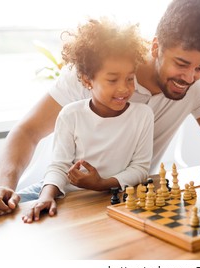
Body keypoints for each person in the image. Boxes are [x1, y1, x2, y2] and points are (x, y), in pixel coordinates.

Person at [0, 0, 200, 217]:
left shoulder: (196, 87)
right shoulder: (98, 71)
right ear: (156, 47)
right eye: (181, 64)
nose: (190, 78)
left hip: (124, 199)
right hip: (62, 194)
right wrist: (2, 184)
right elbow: (28, 131)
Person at [20, 17, 153, 222]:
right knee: (4, 206)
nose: (124, 88)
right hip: (60, 190)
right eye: (112, 79)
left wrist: (101, 183)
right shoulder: (70, 114)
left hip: (107, 193)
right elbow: (58, 167)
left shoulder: (143, 115)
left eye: (129, 78)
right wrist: (46, 196)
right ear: (86, 80)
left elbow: (140, 169)